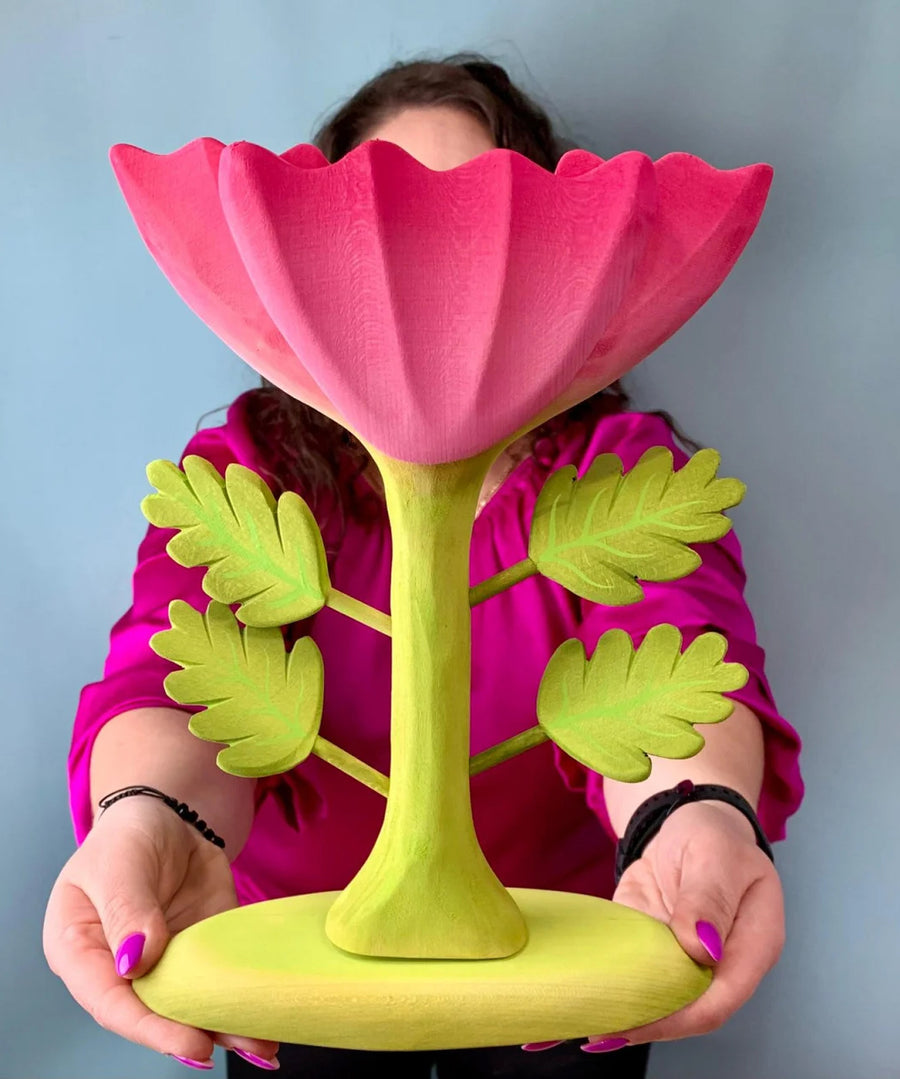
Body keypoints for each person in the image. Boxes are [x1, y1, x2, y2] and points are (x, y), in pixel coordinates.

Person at [43, 53, 803, 1079]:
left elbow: (677, 653)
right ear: (299, 273)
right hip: (305, 954)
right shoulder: (249, 474)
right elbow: (173, 669)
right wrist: (151, 817)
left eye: (476, 227)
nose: (429, 278)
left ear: (554, 269)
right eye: (385, 235)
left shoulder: (622, 477)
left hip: (567, 951)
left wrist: (694, 814)